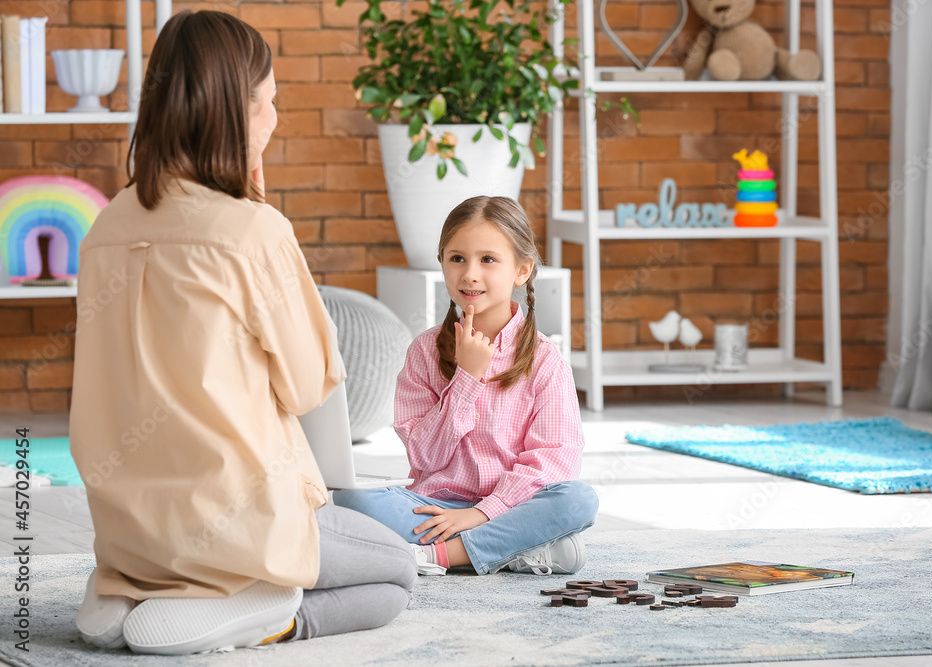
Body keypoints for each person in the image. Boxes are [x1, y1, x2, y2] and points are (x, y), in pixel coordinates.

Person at [68, 10, 415, 655]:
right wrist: (260, 210)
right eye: (269, 102)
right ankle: (267, 608)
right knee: (396, 575)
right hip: (239, 522)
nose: (276, 119)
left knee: (359, 547)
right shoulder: (252, 232)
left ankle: (134, 590)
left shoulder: (104, 228)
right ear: (234, 109)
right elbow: (311, 385)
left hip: (127, 533)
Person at [333, 196, 599, 576]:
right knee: (349, 498)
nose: (469, 274)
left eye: (488, 260)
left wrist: (481, 513)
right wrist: (467, 380)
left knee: (577, 500)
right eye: (457, 258)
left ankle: (439, 557)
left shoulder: (544, 359)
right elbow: (426, 457)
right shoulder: (425, 351)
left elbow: (553, 462)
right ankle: (517, 548)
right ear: (442, 262)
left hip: (510, 505)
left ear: (522, 270)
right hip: (436, 508)